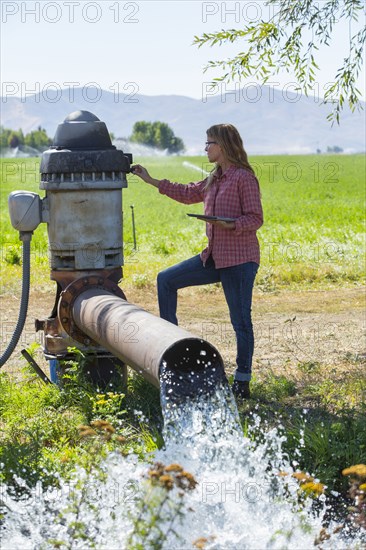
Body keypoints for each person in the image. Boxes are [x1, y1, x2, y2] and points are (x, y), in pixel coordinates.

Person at [132, 124, 263, 399]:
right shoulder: (215, 178)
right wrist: (151, 180)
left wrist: (230, 225)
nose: (205, 148)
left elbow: (255, 219)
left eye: (209, 143)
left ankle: (242, 380)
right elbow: (187, 192)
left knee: (240, 321)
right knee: (166, 280)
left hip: (239, 260)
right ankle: (173, 349)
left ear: (224, 146)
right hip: (214, 257)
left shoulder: (244, 178)